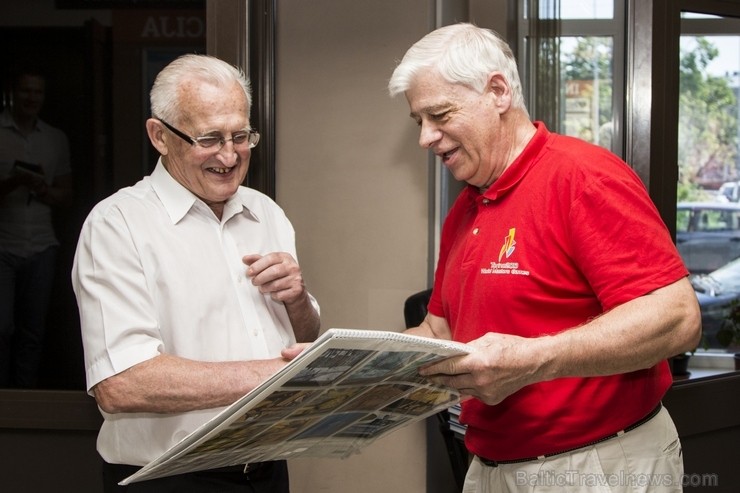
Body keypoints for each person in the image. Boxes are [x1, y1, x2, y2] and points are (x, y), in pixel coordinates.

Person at [388, 23, 701, 493]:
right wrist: (349, 368)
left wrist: (535, 359)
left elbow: (677, 319)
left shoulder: (582, 177)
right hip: (490, 466)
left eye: (439, 115)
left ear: (497, 92)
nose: (426, 138)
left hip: (596, 467)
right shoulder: (467, 206)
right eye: (419, 122)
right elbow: (441, 331)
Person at [72, 54, 320, 492]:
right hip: (169, 478)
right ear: (160, 136)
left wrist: (298, 300)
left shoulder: (266, 212)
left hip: (267, 470)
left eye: (240, 135)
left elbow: (303, 337)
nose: (229, 155)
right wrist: (280, 377)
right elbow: (122, 383)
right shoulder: (118, 224)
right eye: (209, 138)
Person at [0, 67, 74, 388]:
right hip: (3, 245)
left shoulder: (55, 139)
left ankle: (25, 397)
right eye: (26, 91)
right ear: (13, 94)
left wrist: (42, 189)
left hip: (42, 245)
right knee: (2, 329)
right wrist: (14, 181)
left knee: (33, 331)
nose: (32, 98)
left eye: (38, 92)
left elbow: (66, 194)